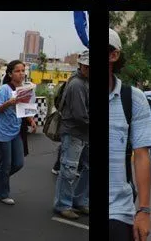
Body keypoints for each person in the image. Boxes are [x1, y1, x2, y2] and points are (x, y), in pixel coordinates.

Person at [109, 28, 151, 241]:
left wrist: (144, 211)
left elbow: (142, 155)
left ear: (114, 55)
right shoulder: (79, 92)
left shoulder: (133, 99)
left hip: (118, 211)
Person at [0, 60, 33, 205]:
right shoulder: (4, 89)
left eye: (23, 70)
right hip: (2, 133)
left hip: (16, 131)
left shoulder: (25, 88)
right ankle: (2, 193)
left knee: (18, 163)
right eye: (17, 71)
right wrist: (9, 103)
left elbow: (25, 108)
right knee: (6, 164)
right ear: (10, 74)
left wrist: (30, 120)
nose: (21, 74)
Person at [53, 50, 90, 220]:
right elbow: (80, 115)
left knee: (86, 168)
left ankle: (79, 200)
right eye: (87, 66)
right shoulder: (77, 85)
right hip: (75, 132)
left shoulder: (86, 82)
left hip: (84, 133)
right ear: (81, 65)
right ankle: (63, 204)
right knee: (68, 170)